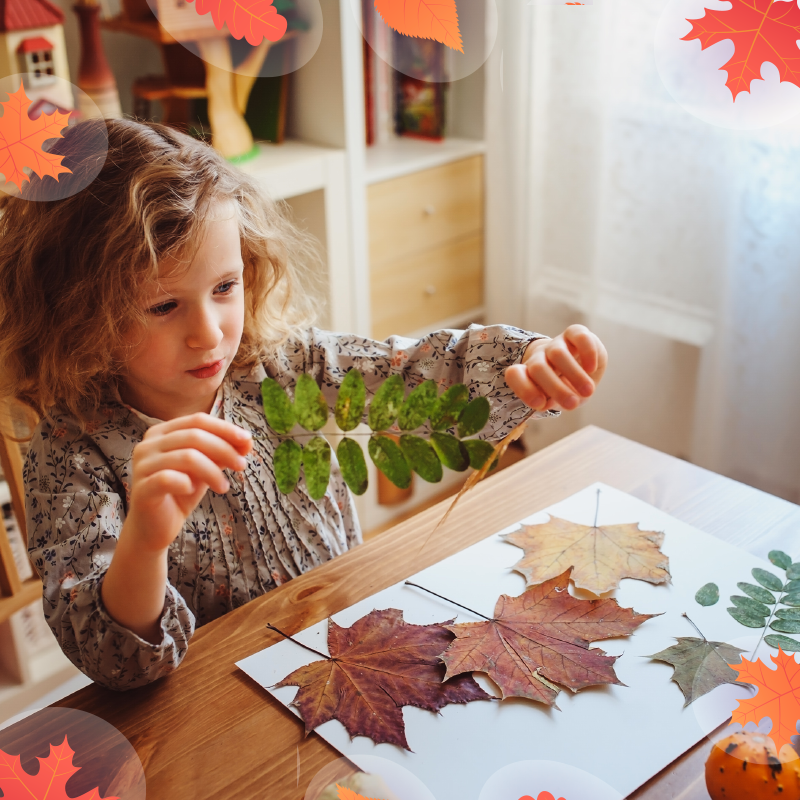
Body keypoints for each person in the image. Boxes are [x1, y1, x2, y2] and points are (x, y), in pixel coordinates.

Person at [0, 119, 607, 690]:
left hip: (350, 647)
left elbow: (415, 374)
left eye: (224, 287)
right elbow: (114, 661)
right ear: (79, 314)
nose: (209, 332)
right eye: (163, 307)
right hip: (220, 712)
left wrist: (526, 365)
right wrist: (145, 539)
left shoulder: (284, 367)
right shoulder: (70, 454)